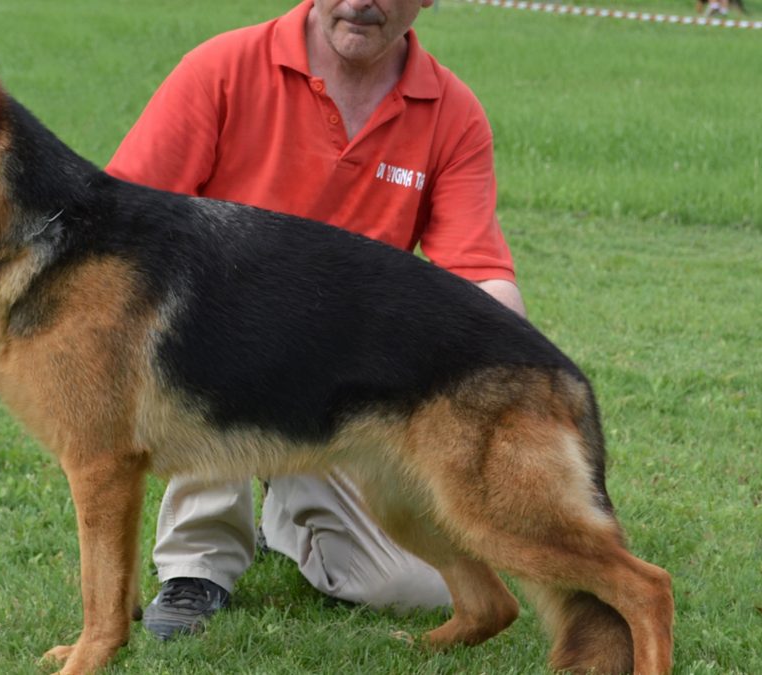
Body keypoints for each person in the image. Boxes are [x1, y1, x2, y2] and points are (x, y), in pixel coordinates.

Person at [106, 0, 526, 640]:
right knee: (214, 333)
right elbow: (124, 218)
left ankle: (289, 515)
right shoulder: (222, 68)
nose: (362, 3)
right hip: (214, 347)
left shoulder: (451, 111)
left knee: (414, 587)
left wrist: (519, 385)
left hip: (345, 391)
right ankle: (197, 565)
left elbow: (478, 276)